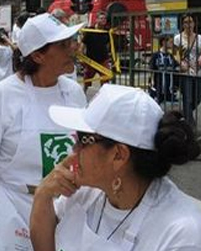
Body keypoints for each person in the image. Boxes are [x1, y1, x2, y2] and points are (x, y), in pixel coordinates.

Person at [0, 13, 85, 250]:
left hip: (67, 208)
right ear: (38, 55)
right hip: (17, 209)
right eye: (63, 45)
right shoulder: (5, 95)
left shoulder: (74, 92)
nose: (73, 48)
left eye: (71, 41)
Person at [31, 85, 201, 251]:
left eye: (82, 140)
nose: (73, 150)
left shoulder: (181, 234)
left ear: (119, 155)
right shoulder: (85, 193)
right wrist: (42, 195)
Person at [174, 14, 201, 124]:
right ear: (182, 24)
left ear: (194, 24)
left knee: (198, 96)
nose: (188, 24)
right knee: (188, 98)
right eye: (185, 22)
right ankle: (189, 123)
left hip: (198, 71)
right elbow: (175, 53)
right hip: (185, 72)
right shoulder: (178, 38)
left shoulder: (199, 38)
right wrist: (180, 63)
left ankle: (186, 113)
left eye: (190, 22)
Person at [81, 12, 111, 91]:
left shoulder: (107, 32)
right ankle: (83, 93)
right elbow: (83, 44)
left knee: (105, 78)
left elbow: (107, 44)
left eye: (105, 19)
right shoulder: (90, 30)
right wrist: (81, 57)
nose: (103, 20)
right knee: (87, 78)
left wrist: (108, 55)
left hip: (103, 59)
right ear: (96, 20)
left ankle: (104, 95)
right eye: (101, 18)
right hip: (91, 60)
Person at [149, 36, 179, 103]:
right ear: (163, 42)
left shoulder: (171, 56)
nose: (172, 44)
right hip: (158, 88)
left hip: (169, 89)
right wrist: (151, 83)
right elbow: (151, 70)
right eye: (170, 42)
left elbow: (177, 67)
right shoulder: (156, 55)